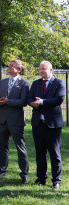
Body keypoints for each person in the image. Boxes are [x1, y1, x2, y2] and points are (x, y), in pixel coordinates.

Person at [27, 61, 66, 190]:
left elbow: (59, 99)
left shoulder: (59, 83)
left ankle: (56, 180)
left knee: (55, 153)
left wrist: (42, 102)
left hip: (53, 124)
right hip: (38, 123)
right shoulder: (36, 83)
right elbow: (29, 98)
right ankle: (41, 179)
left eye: (44, 69)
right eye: (40, 69)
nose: (41, 71)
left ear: (51, 70)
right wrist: (32, 103)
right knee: (40, 153)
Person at [0, 60, 30, 184]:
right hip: (3, 119)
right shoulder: (3, 81)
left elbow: (24, 101)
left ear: (19, 70)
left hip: (16, 120)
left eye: (12, 66)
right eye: (9, 65)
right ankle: (2, 170)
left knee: (20, 147)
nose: (9, 67)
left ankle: (24, 174)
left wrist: (8, 101)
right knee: (3, 147)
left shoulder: (24, 83)